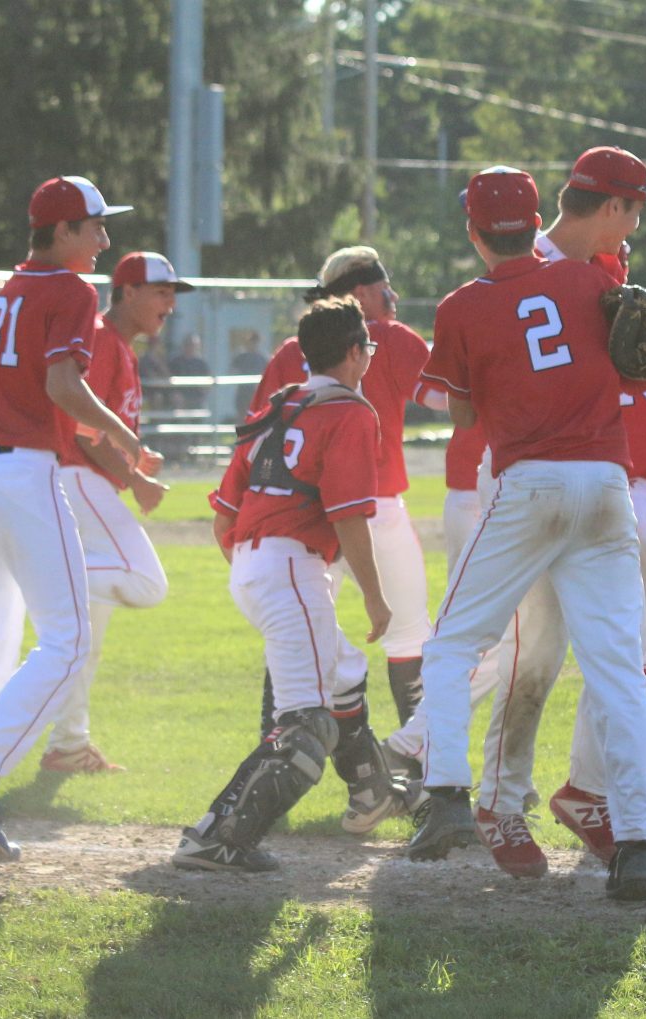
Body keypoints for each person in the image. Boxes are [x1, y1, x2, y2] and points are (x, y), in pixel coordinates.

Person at [406, 167, 646, 902]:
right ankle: (636, 845)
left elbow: (457, 417)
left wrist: (493, 377)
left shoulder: (462, 305)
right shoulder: (586, 281)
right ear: (538, 216)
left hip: (530, 484)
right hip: (608, 487)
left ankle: (451, 792)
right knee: (618, 671)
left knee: (454, 644)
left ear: (473, 231)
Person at [0, 175, 147, 864]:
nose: (103, 240)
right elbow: (61, 386)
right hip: (26, 473)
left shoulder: (14, 287)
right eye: (92, 226)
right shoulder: (71, 289)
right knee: (69, 640)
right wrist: (121, 435)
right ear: (59, 231)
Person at [466, 147, 646, 879]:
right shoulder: (525, 263)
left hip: (588, 485)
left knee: (611, 650)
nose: (637, 225)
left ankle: (587, 799)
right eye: (636, 208)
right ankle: (494, 798)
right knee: (533, 652)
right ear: (611, 206)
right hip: (524, 487)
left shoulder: (600, 273)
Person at [173, 296, 393, 872]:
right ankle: (218, 836)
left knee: (344, 674)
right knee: (307, 725)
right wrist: (373, 594)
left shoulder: (278, 405)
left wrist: (258, 574)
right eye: (366, 347)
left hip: (251, 562)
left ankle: (375, 789)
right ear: (352, 354)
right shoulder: (349, 411)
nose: (368, 356)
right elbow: (347, 515)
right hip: (290, 566)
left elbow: (225, 514)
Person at [244, 245, 439, 834]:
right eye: (383, 286)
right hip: (373, 507)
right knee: (407, 636)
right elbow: (448, 398)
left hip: (309, 517)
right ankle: (418, 769)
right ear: (359, 292)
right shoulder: (393, 337)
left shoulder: (291, 352)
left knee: (300, 637)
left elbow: (259, 438)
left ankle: (271, 765)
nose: (392, 299)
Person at [38, 252, 184, 773]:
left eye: (172, 294)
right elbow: (80, 427)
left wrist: (132, 459)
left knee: (87, 642)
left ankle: (68, 747)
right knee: (147, 582)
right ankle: (58, 581)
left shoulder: (119, 345)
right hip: (79, 480)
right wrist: (134, 477)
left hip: (85, 481)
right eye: (161, 292)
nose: (170, 303)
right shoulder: (101, 337)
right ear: (127, 292)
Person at [169, 333, 209, 409]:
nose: (191, 347)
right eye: (188, 344)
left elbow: (207, 382)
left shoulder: (201, 363)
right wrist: (174, 393)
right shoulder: (175, 362)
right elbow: (168, 379)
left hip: (196, 397)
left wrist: (203, 392)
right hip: (179, 397)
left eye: (193, 345)